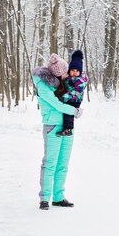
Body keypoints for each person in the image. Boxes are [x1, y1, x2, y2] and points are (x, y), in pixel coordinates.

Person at [32, 53, 83, 210]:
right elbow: (56, 104)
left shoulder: (60, 82)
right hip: (53, 126)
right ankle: (45, 198)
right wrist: (75, 111)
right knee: (50, 163)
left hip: (68, 126)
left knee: (63, 165)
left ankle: (58, 196)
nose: (66, 75)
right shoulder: (43, 85)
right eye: (64, 72)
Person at [55, 50, 88, 137]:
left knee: (68, 111)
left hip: (76, 99)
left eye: (77, 71)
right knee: (65, 110)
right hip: (70, 97)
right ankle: (66, 127)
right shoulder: (68, 78)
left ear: (80, 72)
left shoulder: (81, 81)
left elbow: (76, 92)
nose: (74, 72)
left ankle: (68, 129)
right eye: (72, 70)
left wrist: (64, 97)